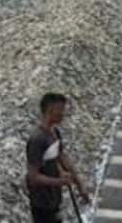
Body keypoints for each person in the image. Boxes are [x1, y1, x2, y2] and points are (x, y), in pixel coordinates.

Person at [26, 92, 90, 223]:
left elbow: (63, 159)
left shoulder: (54, 132)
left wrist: (80, 186)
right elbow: (33, 177)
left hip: (54, 200)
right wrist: (60, 182)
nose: (63, 114)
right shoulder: (37, 140)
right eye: (61, 110)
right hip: (42, 203)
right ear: (51, 110)